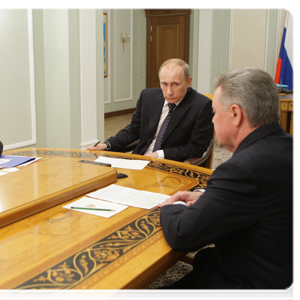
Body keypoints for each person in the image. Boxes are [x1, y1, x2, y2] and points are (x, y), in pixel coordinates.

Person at [143, 68, 296, 300]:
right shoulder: (288, 146)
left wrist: (172, 205)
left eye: (214, 113)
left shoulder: (241, 168)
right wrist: (208, 198)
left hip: (255, 286)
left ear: (235, 113)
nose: (212, 120)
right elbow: (260, 200)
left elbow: (183, 234)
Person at [86, 58, 214, 162]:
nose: (169, 92)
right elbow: (133, 130)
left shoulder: (202, 106)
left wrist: (159, 154)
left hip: (172, 165)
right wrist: (106, 145)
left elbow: (196, 148)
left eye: (175, 84)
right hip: (139, 161)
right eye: (164, 84)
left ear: (188, 81)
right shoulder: (147, 96)